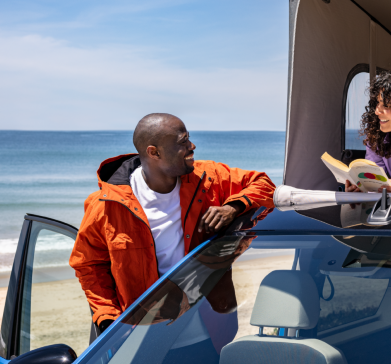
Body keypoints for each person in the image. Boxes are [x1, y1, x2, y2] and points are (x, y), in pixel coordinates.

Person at [69, 113, 275, 335]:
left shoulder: (208, 178)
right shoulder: (105, 205)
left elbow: (264, 184)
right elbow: (89, 266)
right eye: (182, 142)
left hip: (209, 326)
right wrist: (108, 319)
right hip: (142, 334)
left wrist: (232, 208)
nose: (192, 146)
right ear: (154, 152)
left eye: (189, 139)